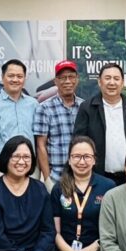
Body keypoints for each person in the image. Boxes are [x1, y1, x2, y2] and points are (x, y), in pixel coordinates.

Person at [73, 63, 126, 185]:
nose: (112, 83)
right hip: (98, 177)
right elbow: (79, 140)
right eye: (107, 78)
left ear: (123, 82)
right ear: (99, 82)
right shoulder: (87, 108)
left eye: (116, 78)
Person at [0, 60, 38, 186]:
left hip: (29, 170)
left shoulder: (34, 104)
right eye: (11, 76)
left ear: (24, 79)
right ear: (2, 77)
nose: (15, 79)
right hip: (0, 171)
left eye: (19, 76)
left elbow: (40, 142)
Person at [34, 60, 81, 190]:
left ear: (77, 79)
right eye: (62, 77)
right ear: (55, 81)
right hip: (56, 177)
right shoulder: (44, 108)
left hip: (82, 175)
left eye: (71, 77)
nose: (67, 81)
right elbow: (41, 145)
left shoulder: (84, 107)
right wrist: (47, 179)